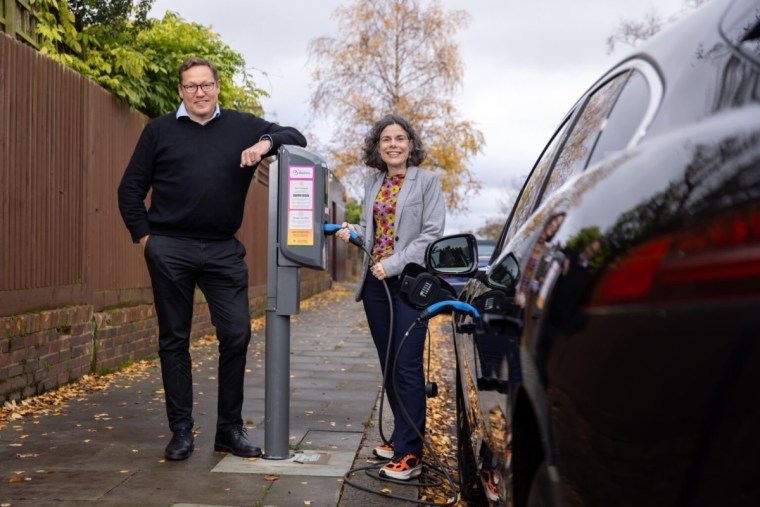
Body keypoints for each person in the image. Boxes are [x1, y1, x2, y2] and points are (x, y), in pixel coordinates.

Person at [117, 57, 307, 461]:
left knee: (237, 333)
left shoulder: (242, 126)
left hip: (223, 248)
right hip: (170, 247)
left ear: (217, 87)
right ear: (181, 91)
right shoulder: (159, 131)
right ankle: (181, 431)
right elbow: (130, 189)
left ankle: (228, 430)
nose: (199, 93)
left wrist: (263, 144)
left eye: (206, 85)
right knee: (174, 339)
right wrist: (145, 239)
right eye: (191, 86)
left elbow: (295, 135)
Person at [336, 114, 445, 480]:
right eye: (386, 139)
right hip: (374, 287)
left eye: (400, 138)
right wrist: (354, 231)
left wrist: (394, 264)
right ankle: (401, 434)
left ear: (411, 144)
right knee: (388, 364)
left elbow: (430, 235)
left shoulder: (427, 182)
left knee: (407, 365)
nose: (393, 145)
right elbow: (373, 230)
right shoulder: (373, 182)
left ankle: (410, 454)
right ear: (377, 147)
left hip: (409, 285)